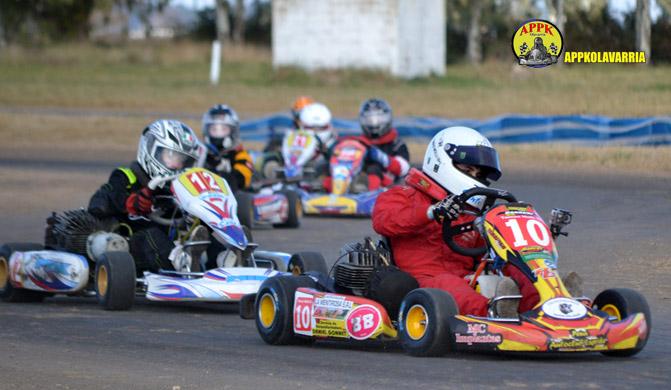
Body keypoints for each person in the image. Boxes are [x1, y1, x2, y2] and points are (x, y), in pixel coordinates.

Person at [372, 126, 540, 317]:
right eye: (468, 170)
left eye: (478, 174)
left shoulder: (469, 212)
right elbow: (385, 221)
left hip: (467, 278)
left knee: (520, 268)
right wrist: (431, 212)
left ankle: (546, 304)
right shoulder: (402, 196)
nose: (475, 177)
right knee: (449, 284)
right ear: (442, 161)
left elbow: (483, 252)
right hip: (422, 281)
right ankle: (493, 313)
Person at [88, 119, 202, 274]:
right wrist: (133, 203)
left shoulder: (178, 188)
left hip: (173, 242)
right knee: (154, 238)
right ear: (152, 150)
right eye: (171, 156)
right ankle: (182, 266)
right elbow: (99, 203)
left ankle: (226, 261)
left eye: (181, 160)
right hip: (128, 247)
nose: (177, 165)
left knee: (204, 232)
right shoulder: (125, 177)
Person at [358, 98, 410, 190]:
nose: (374, 123)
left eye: (379, 117)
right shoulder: (360, 143)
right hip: (358, 183)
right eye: (369, 119)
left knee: (373, 169)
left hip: (389, 186)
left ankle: (370, 194)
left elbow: (403, 169)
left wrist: (380, 156)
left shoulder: (396, 144)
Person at [200, 104, 254, 192]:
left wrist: (217, 172)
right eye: (214, 129)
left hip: (234, 196)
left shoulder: (240, 154)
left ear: (233, 131)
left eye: (223, 129)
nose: (218, 134)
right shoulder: (202, 153)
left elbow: (242, 179)